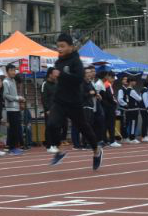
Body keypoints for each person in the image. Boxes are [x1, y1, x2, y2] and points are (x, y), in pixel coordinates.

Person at [44, 33, 104, 170]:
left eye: (62, 46)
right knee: (52, 124)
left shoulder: (76, 61)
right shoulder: (58, 62)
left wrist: (62, 74)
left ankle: (96, 150)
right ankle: (60, 151)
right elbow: (60, 80)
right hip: (60, 100)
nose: (59, 49)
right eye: (58, 46)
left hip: (74, 102)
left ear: (71, 47)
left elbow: (78, 79)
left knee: (84, 128)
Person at [2, 64, 25, 155]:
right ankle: (12, 148)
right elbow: (5, 95)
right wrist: (17, 98)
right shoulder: (5, 82)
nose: (13, 72)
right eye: (11, 70)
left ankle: (14, 147)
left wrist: (19, 99)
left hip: (16, 108)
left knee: (16, 129)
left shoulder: (13, 81)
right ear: (7, 71)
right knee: (13, 129)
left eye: (14, 70)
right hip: (10, 109)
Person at [98, 71, 120, 147]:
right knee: (111, 124)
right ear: (109, 77)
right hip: (109, 107)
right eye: (113, 78)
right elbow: (110, 97)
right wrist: (115, 102)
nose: (114, 80)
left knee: (105, 125)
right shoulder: (108, 84)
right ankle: (112, 141)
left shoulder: (104, 84)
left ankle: (105, 140)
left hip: (105, 107)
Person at [118, 76, 141, 144]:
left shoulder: (127, 90)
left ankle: (127, 137)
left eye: (126, 79)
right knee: (127, 123)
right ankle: (129, 137)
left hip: (129, 109)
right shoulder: (124, 90)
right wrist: (126, 104)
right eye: (124, 79)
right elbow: (139, 99)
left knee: (127, 123)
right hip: (127, 109)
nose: (126, 81)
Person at [41, 68, 60, 153]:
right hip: (49, 110)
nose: (56, 75)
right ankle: (49, 146)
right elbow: (43, 98)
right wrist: (47, 109)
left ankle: (54, 144)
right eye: (55, 73)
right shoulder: (45, 84)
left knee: (56, 127)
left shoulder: (56, 84)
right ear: (50, 74)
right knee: (49, 127)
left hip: (57, 110)